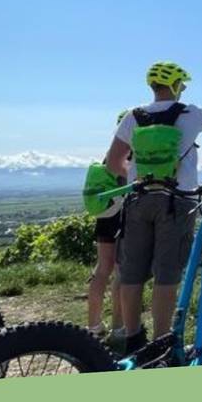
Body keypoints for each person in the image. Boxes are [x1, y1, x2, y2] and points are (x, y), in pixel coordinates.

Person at [104, 62, 202, 353]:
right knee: (167, 274)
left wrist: (137, 175)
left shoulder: (132, 116)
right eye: (182, 85)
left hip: (137, 200)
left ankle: (134, 339)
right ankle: (162, 344)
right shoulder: (190, 113)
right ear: (176, 85)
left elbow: (113, 163)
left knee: (132, 272)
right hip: (177, 202)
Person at [86, 110, 128, 344]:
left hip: (105, 215)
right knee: (122, 271)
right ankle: (119, 328)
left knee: (103, 268)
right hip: (122, 217)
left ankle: (93, 325)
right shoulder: (130, 155)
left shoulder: (110, 154)